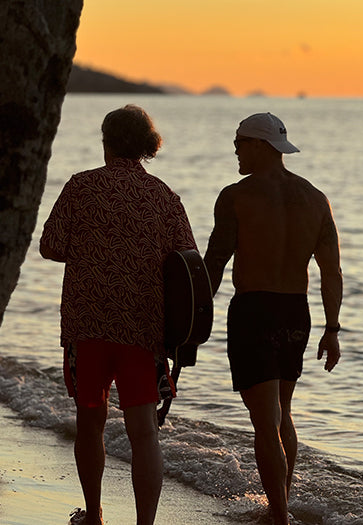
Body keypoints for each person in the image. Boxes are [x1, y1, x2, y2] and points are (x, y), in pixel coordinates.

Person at [40, 105, 197, 525]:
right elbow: (188, 263)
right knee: (144, 433)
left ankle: (93, 515)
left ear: (106, 141)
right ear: (147, 145)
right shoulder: (164, 197)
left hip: (87, 328)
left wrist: (94, 248)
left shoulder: (81, 187)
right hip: (143, 332)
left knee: (90, 423)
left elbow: (50, 246)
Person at [204, 112, 342, 525]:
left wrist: (192, 321)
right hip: (296, 313)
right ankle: (278, 504)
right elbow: (331, 272)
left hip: (255, 311)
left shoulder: (235, 196)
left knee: (265, 421)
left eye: (240, 144)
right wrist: (332, 329)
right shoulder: (316, 199)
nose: (235, 152)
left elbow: (214, 262)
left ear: (260, 146)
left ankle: (279, 516)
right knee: (281, 412)